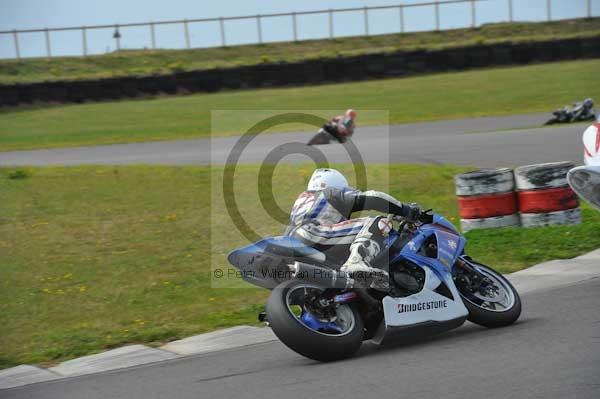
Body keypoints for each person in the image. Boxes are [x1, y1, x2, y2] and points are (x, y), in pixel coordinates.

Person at [284, 168, 432, 275]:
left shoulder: (302, 200)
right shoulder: (331, 192)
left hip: (290, 243)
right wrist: (405, 210)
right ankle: (356, 261)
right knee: (380, 222)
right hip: (314, 233)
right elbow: (373, 198)